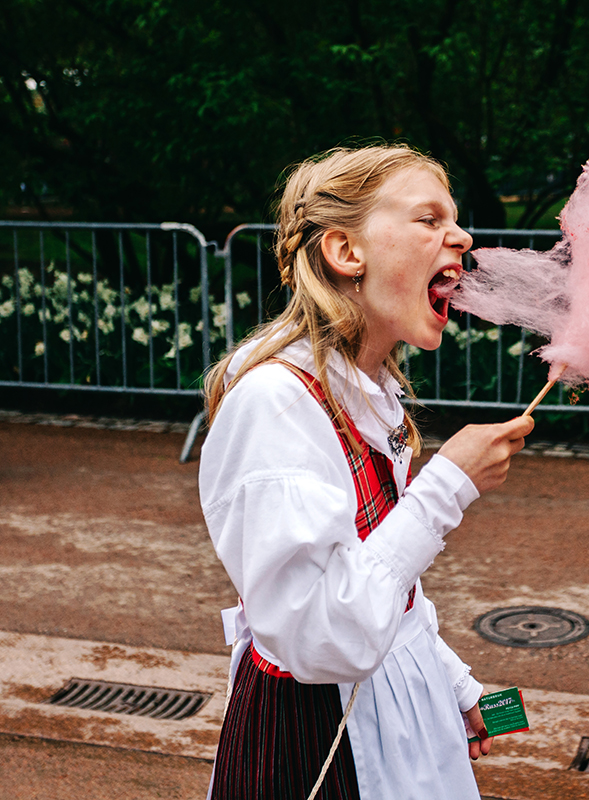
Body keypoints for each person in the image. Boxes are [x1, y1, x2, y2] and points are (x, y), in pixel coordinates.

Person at [199, 144, 535, 799]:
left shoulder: (367, 391)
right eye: (428, 219)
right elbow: (322, 638)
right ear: (346, 252)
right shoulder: (277, 406)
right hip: (321, 740)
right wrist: (445, 487)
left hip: (393, 717)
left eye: (455, 220)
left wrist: (451, 682)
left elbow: (386, 589)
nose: (461, 237)